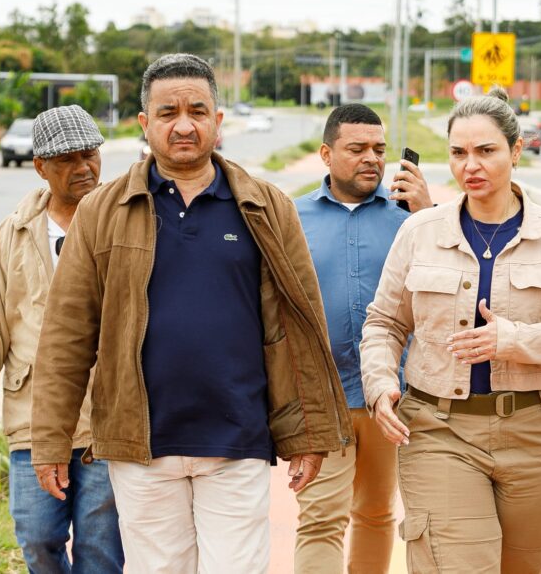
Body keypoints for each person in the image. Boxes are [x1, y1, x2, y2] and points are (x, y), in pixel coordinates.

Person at [29, 54, 353, 574]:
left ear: (218, 121)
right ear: (145, 123)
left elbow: (301, 327)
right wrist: (50, 440)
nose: (183, 125)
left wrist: (307, 436)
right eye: (168, 113)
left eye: (197, 111)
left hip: (238, 442)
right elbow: (67, 335)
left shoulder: (267, 207)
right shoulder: (101, 212)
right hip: (141, 446)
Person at [360, 86, 541, 574]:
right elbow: (384, 323)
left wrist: (512, 341)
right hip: (439, 430)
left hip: (537, 433)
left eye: (486, 151)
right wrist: (381, 385)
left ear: (516, 150)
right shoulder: (420, 232)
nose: (470, 165)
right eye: (458, 153)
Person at [293, 103, 433, 572]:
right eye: (357, 149)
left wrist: (429, 214)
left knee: (376, 513)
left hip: (391, 395)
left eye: (379, 149)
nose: (371, 158)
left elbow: (452, 281)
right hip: (321, 395)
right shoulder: (293, 217)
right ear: (326, 154)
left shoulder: (410, 218)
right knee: (320, 518)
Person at [0, 106, 124, 573]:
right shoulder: (12, 233)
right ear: (40, 167)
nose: (83, 167)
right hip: (32, 416)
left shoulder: (125, 223)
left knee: (100, 550)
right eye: (67, 159)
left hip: (107, 418)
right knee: (37, 537)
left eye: (90, 155)